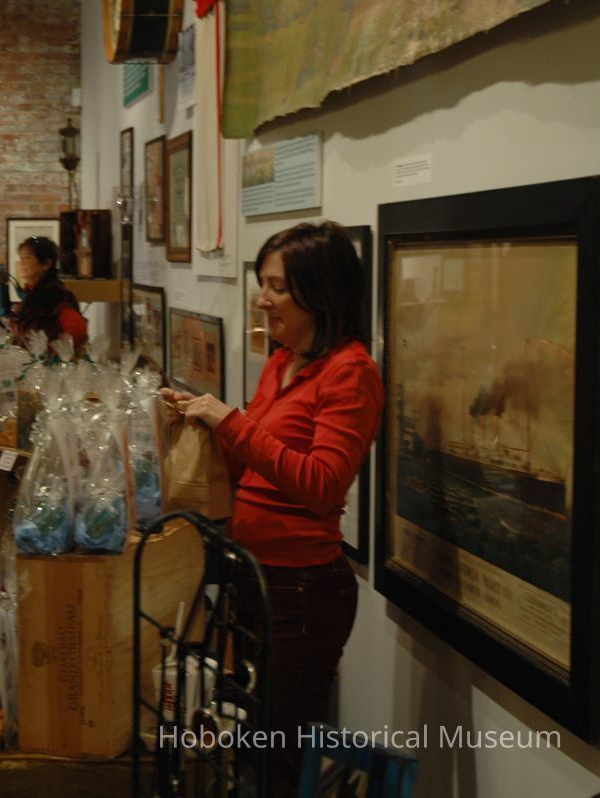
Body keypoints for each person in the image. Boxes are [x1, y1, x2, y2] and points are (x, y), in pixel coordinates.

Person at [161, 221, 384, 798]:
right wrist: (197, 425)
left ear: (322, 292)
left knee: (278, 762)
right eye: (263, 284)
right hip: (256, 577)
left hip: (302, 591)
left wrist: (230, 422)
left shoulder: (351, 372)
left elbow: (322, 485)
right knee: (252, 747)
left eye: (277, 287)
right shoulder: (282, 360)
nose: (262, 299)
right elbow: (254, 468)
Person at [12, 235, 88, 350]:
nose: (21, 263)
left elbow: (78, 333)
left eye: (27, 257)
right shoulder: (30, 296)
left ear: (46, 264)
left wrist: (55, 354)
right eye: (20, 257)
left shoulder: (57, 297)